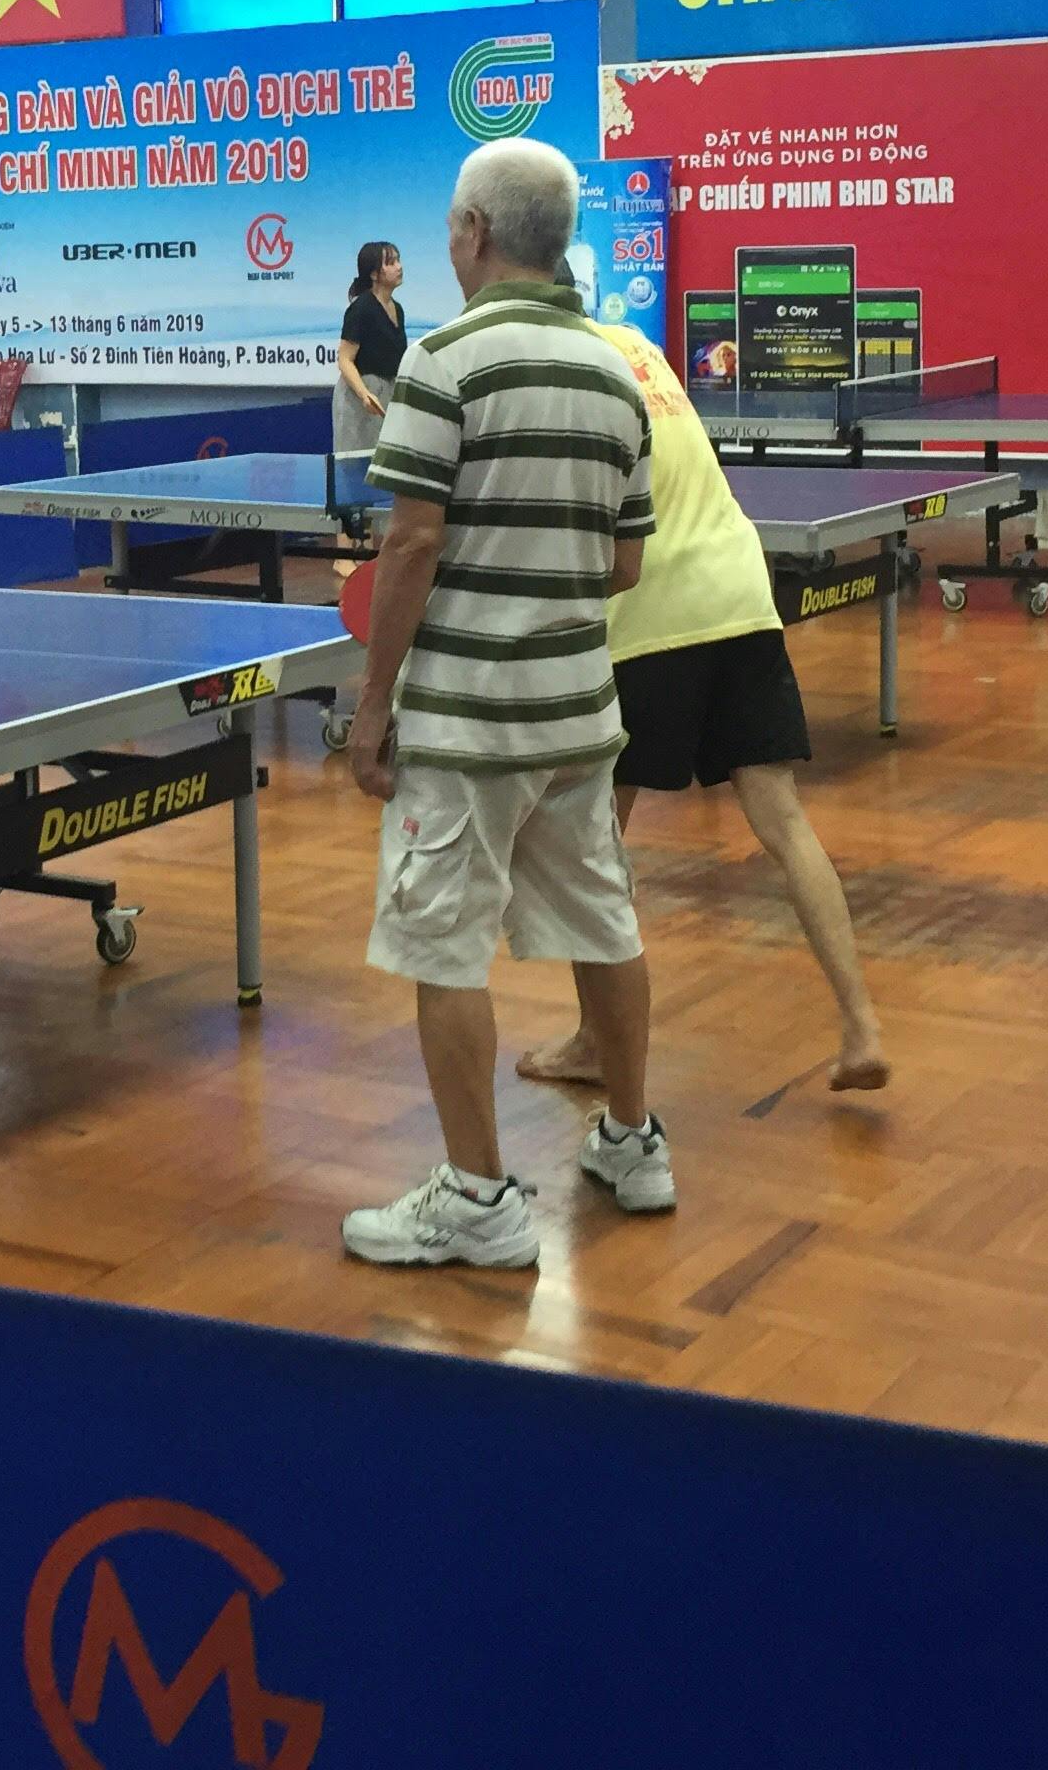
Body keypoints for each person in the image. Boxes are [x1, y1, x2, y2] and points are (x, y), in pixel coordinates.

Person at [342, 138, 669, 1270]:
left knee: (444, 949)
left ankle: (479, 1201)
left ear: (475, 232)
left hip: (468, 724)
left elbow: (411, 544)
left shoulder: (442, 363)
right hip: (579, 715)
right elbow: (625, 564)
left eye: (450, 222)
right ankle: (634, 1142)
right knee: (605, 923)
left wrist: (372, 707)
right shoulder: (616, 375)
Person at [519, 320, 889, 1096]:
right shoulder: (635, 343)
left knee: (591, 842)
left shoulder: (553, 367)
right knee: (784, 821)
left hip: (651, 611)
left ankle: (594, 1042)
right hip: (739, 589)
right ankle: (862, 1029)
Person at [334, 239, 404, 462]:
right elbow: (345, 359)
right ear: (374, 274)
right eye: (391, 263)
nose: (399, 267)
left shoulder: (398, 309)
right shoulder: (361, 309)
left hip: (388, 392)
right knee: (356, 467)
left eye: (398, 260)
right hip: (360, 396)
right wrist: (364, 395)